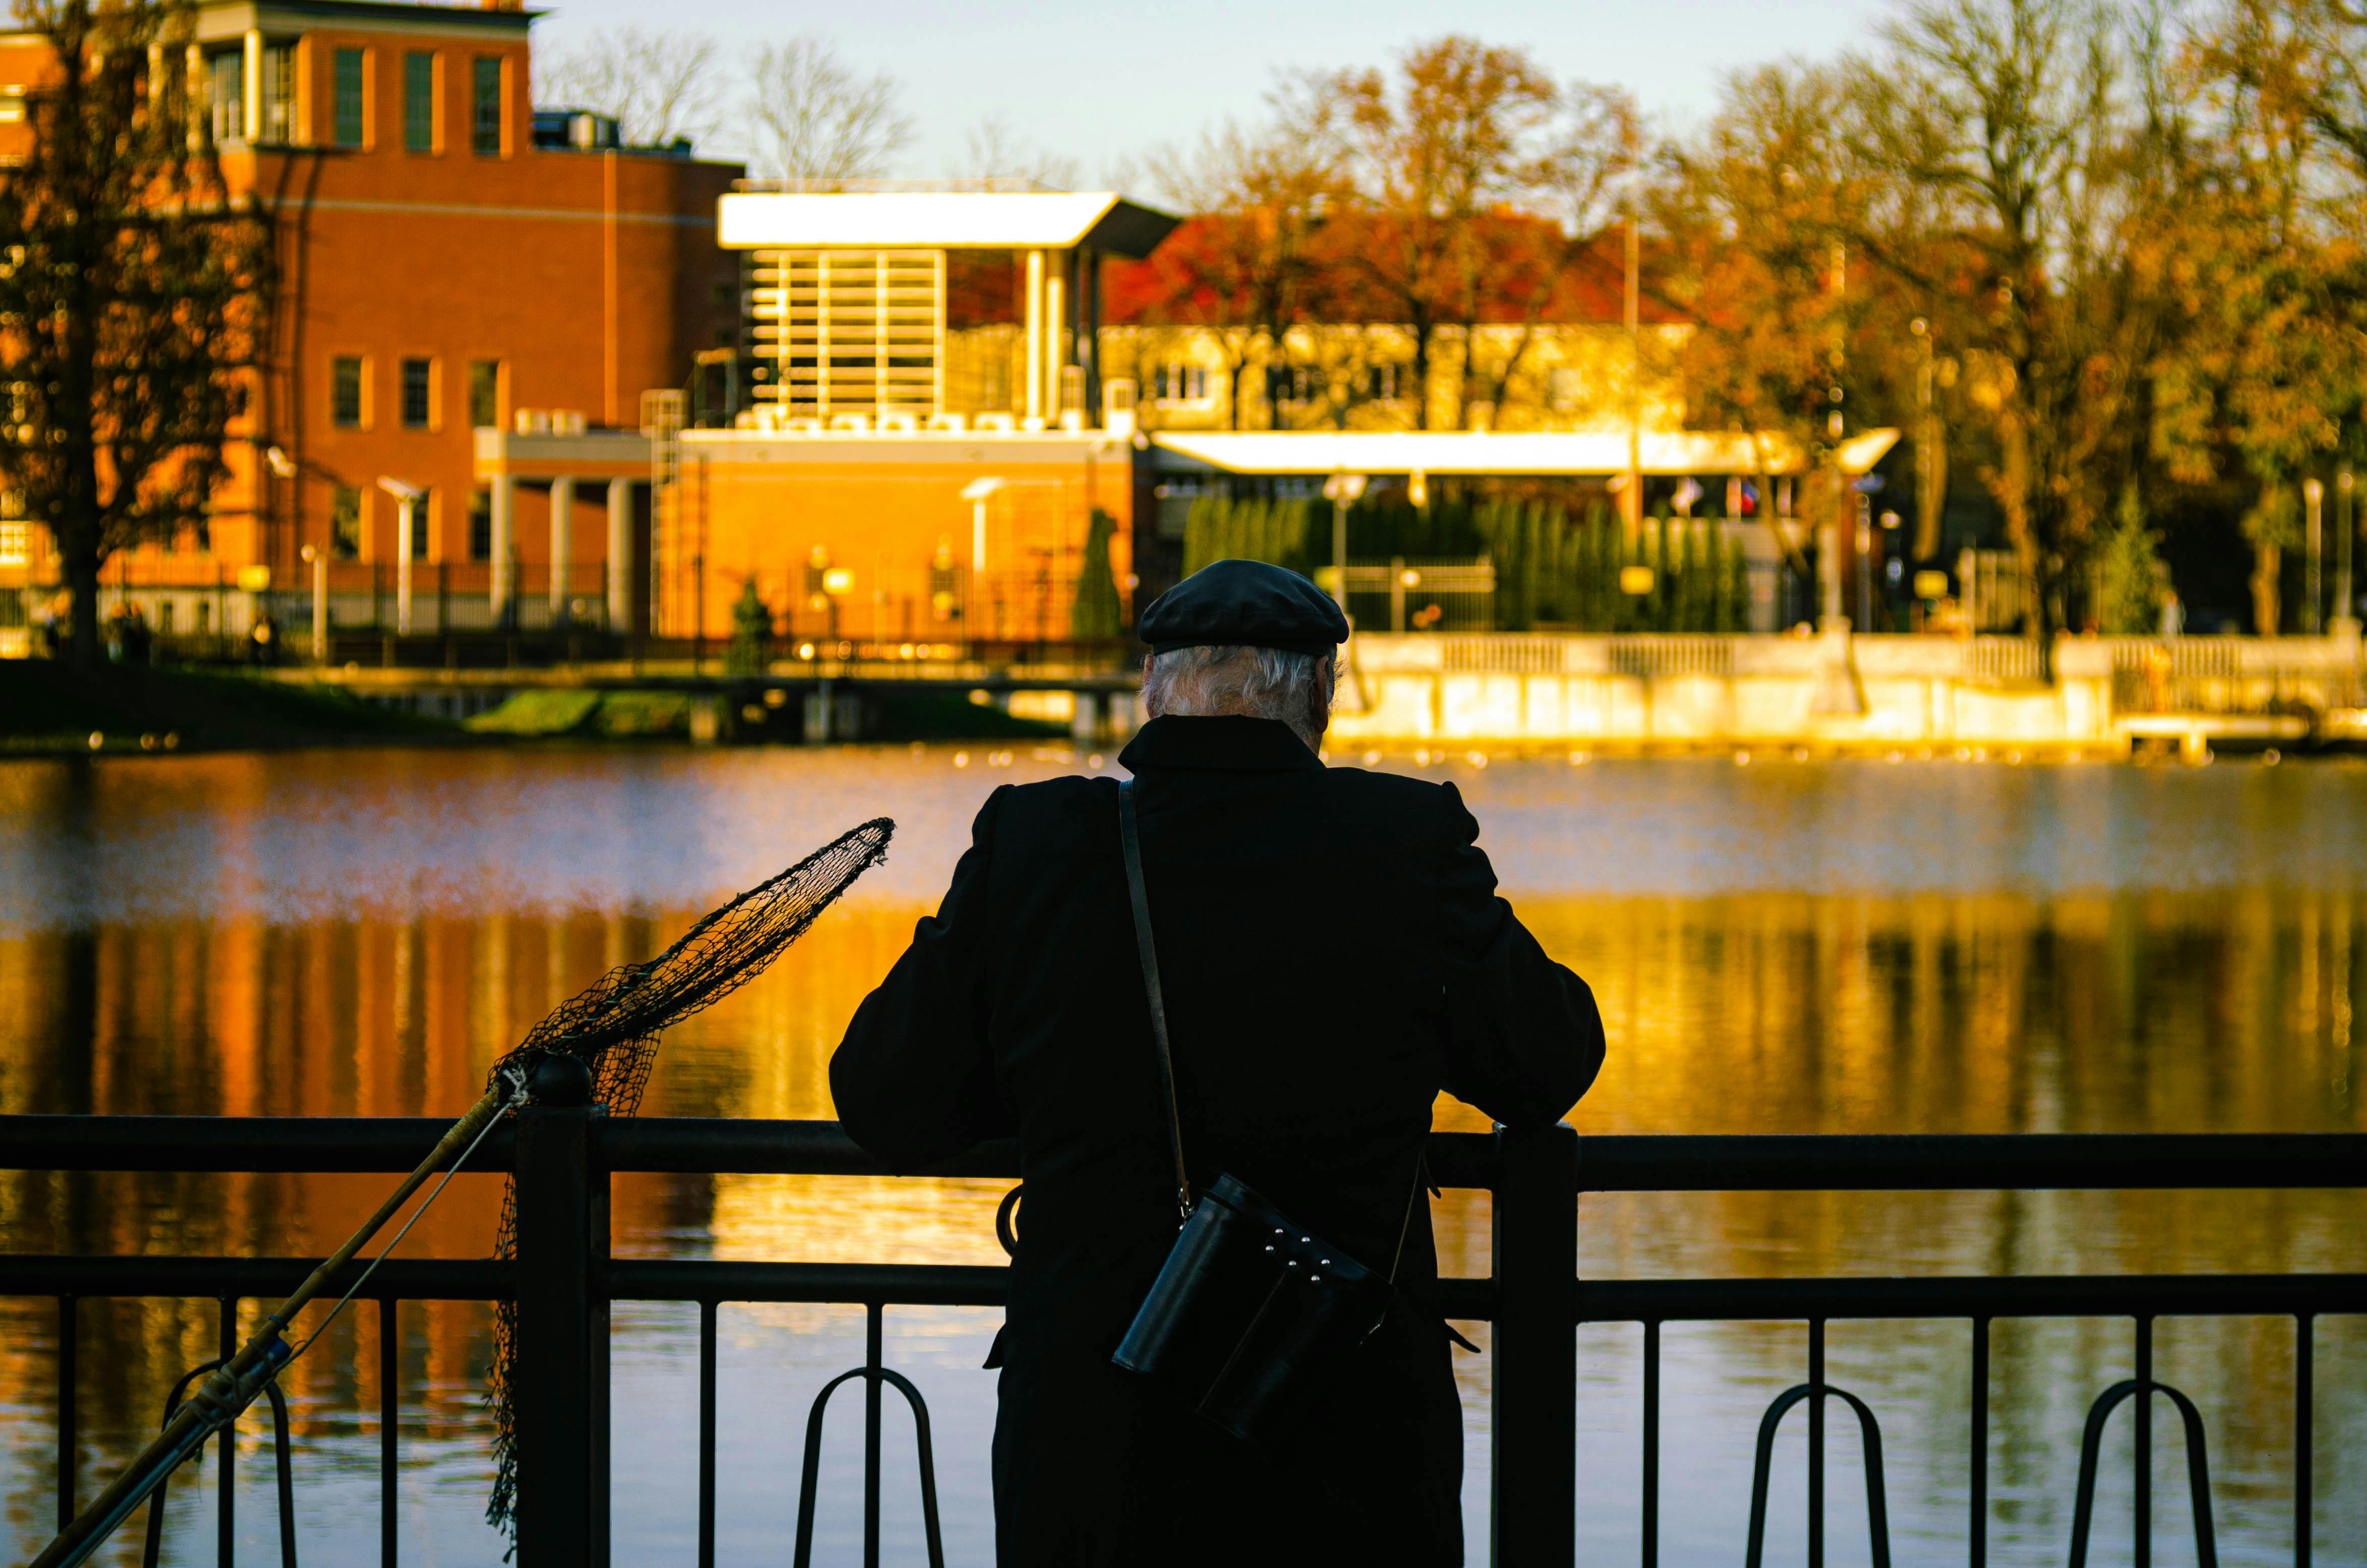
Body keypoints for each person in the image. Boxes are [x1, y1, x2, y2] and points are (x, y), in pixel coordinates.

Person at [831, 558, 1605, 1566]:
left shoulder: (1039, 842)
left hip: (1099, 1426)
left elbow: (885, 1099)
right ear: (1321, 694)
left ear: (1155, 687)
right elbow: (1546, 1064)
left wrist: (1047, 1095)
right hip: (1342, 1419)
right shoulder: (1401, 841)